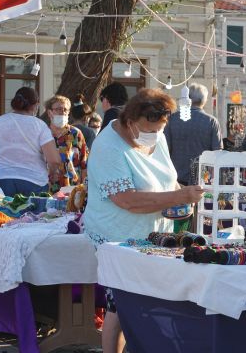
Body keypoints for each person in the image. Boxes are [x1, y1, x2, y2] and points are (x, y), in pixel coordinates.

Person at [84, 88, 205, 353]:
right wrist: (177, 196)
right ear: (129, 121)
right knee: (120, 304)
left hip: (153, 233)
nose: (155, 134)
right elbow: (127, 200)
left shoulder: (155, 136)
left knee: (145, 301)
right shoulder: (108, 147)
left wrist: (181, 196)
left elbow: (165, 178)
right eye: (149, 129)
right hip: (115, 236)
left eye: (160, 128)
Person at [0, 87, 61, 196]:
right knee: (34, 213)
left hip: (4, 180)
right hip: (34, 181)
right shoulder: (40, 125)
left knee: (4, 213)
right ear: (35, 105)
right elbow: (54, 160)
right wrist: (52, 173)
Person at [164, 83, 222, 185]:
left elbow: (165, 149)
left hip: (176, 179)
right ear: (204, 101)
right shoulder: (211, 122)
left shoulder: (172, 119)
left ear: (187, 98)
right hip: (203, 179)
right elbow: (217, 153)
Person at [44, 95, 88, 193]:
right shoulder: (43, 133)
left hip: (71, 187)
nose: (62, 112)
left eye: (65, 110)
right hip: (47, 188)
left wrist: (84, 190)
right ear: (49, 112)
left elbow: (84, 163)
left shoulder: (75, 133)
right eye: (59, 109)